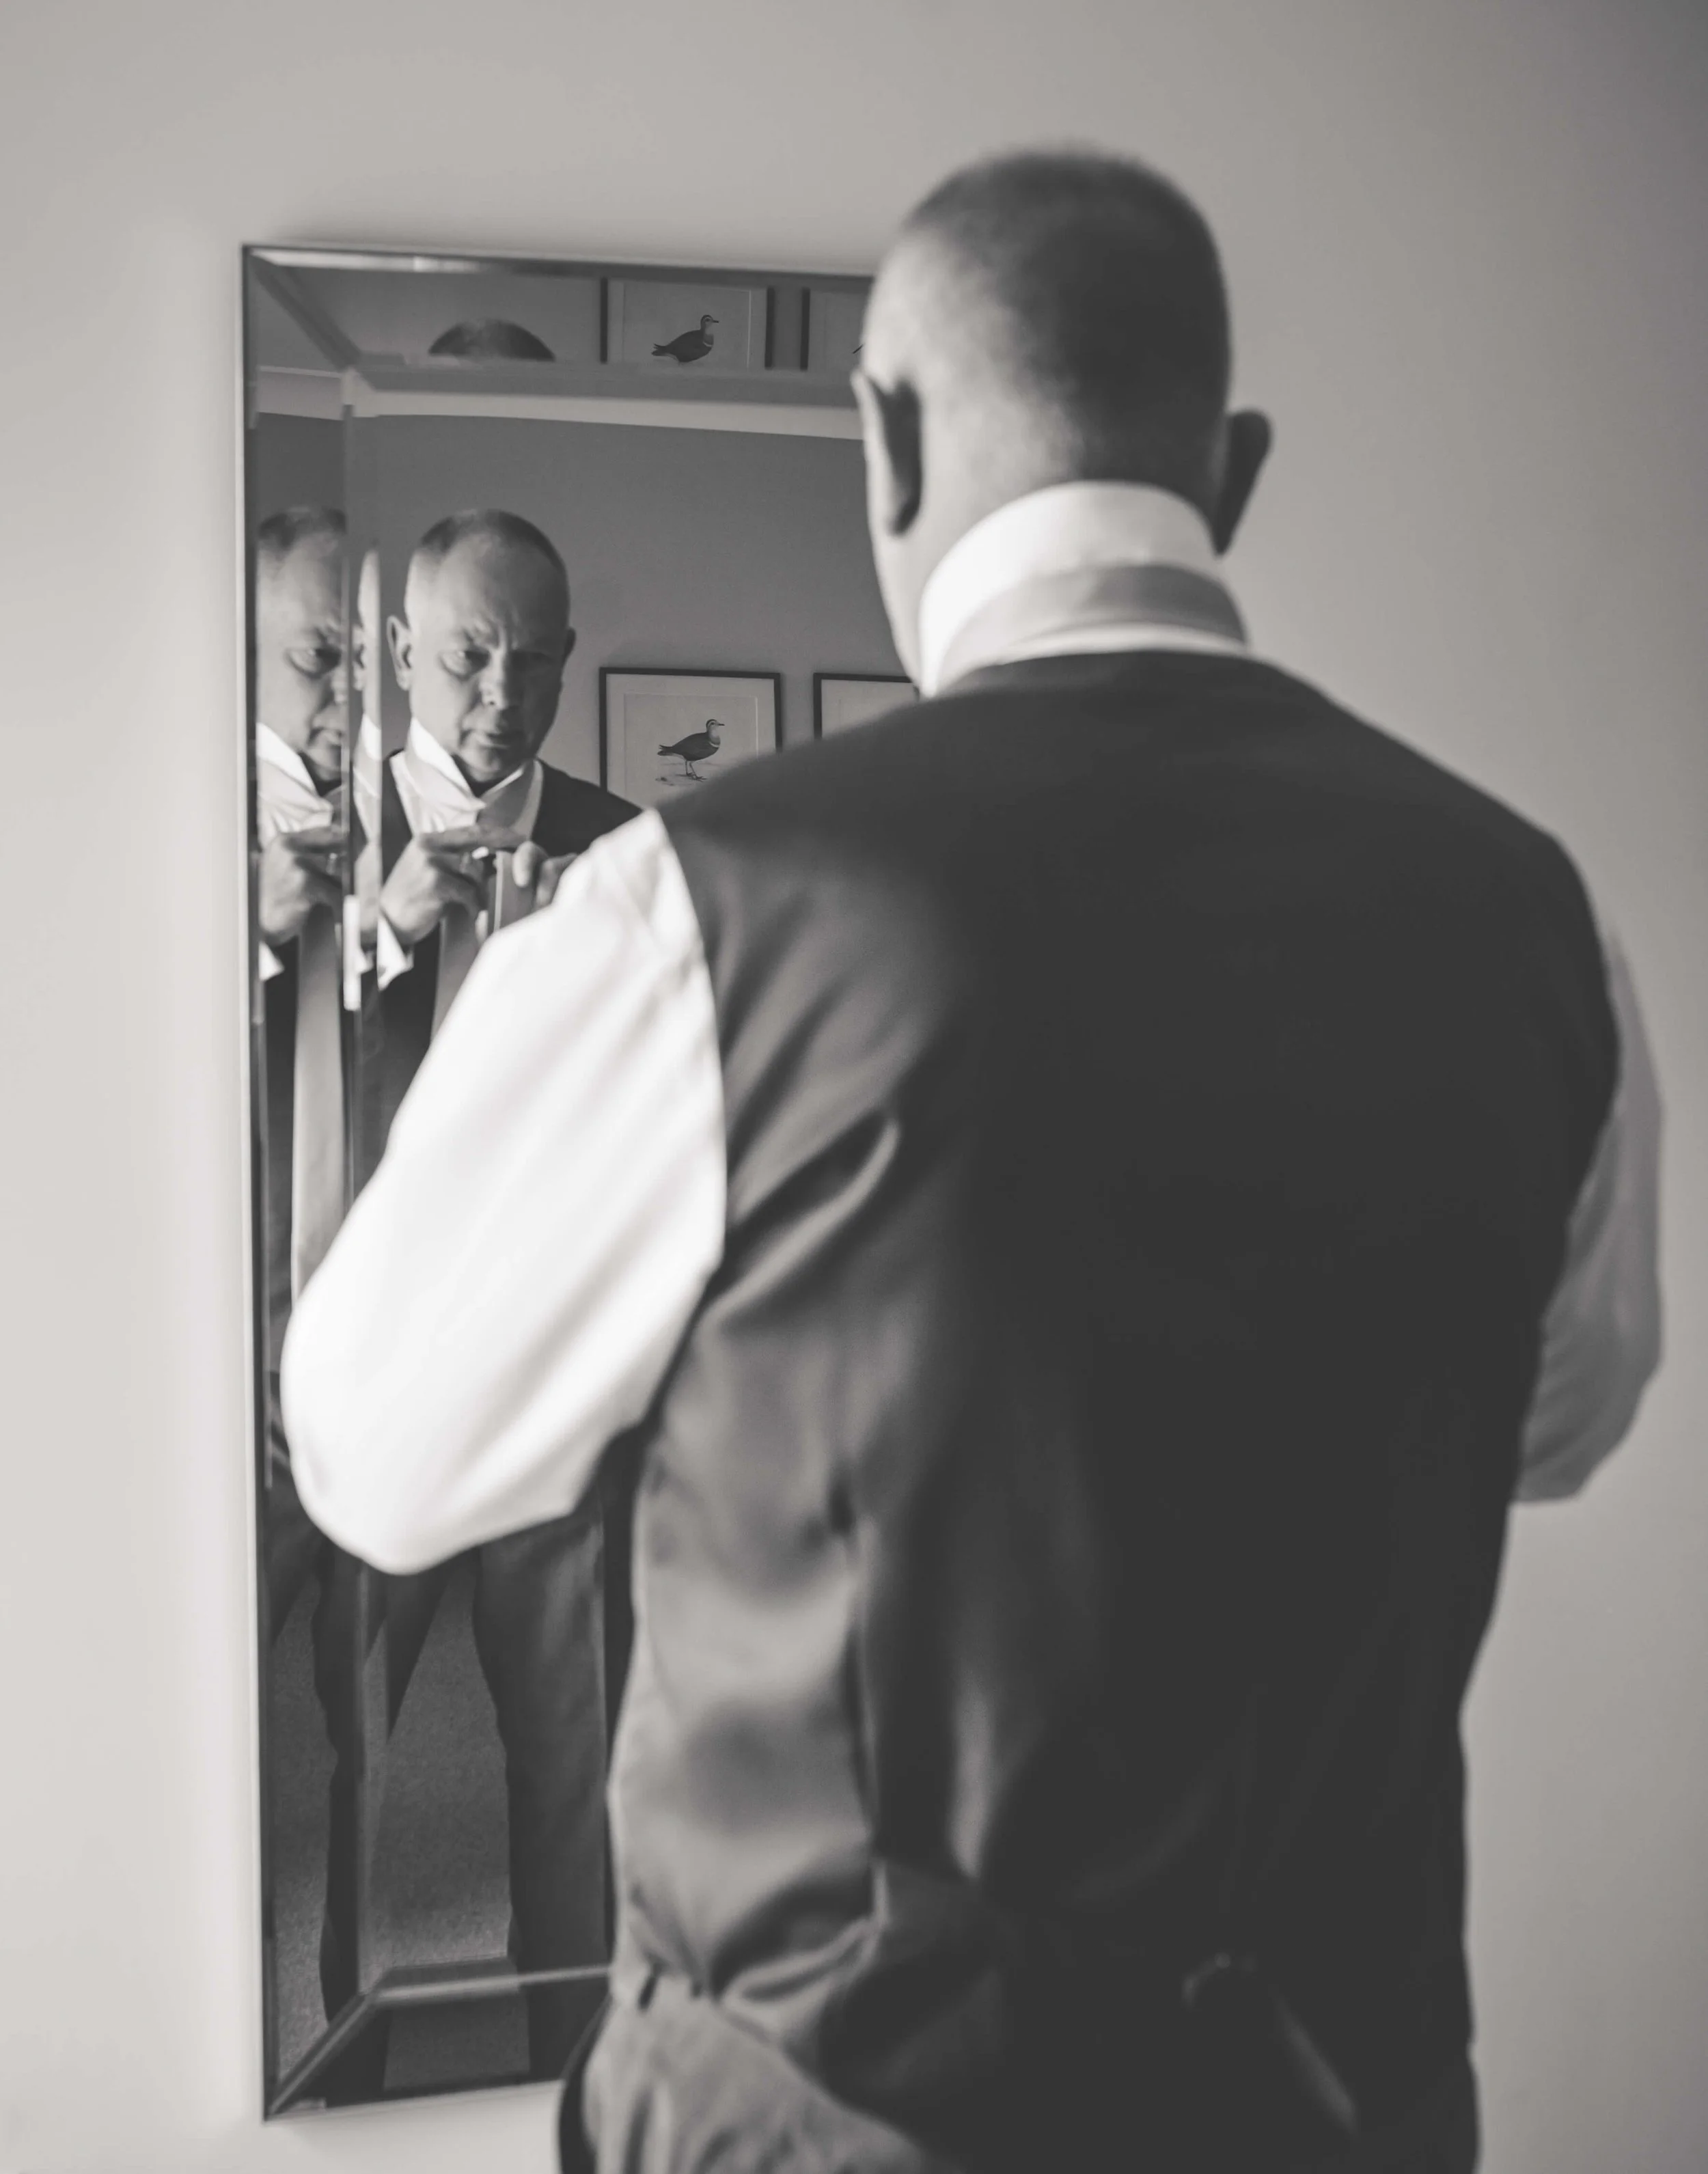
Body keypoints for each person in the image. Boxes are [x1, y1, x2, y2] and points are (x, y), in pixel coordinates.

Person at [282, 152, 1663, 2173]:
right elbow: (1554, 1418)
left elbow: (378, 1452)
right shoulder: (1534, 917)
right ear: (1232, 470)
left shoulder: (696, 910)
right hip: (1339, 2104)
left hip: (838, 2114)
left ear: (887, 440)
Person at [309, 508, 640, 2092]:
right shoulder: (313, 843)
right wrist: (383, 927)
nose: (503, 692)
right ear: (399, 652)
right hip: (373, 1376)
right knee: (346, 1761)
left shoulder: (630, 851)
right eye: (468, 655)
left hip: (560, 1383)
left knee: (576, 1765)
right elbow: (241, 1074)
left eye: (536, 659)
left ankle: (578, 2078)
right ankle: (331, 2069)